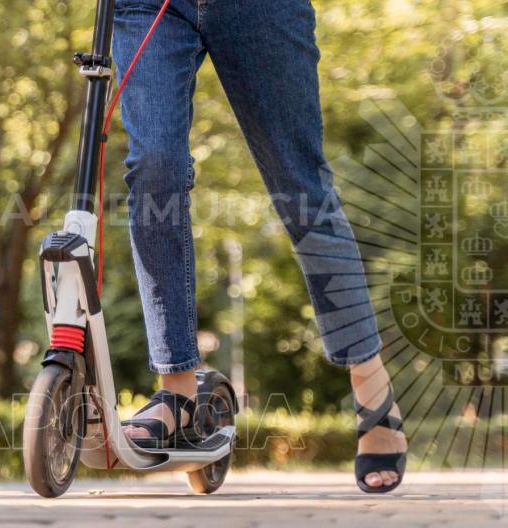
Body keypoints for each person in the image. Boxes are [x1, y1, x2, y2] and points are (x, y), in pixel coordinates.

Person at [111, 0, 407, 493]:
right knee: (153, 172)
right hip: (150, 7)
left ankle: (370, 386)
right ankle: (178, 392)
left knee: (302, 190)